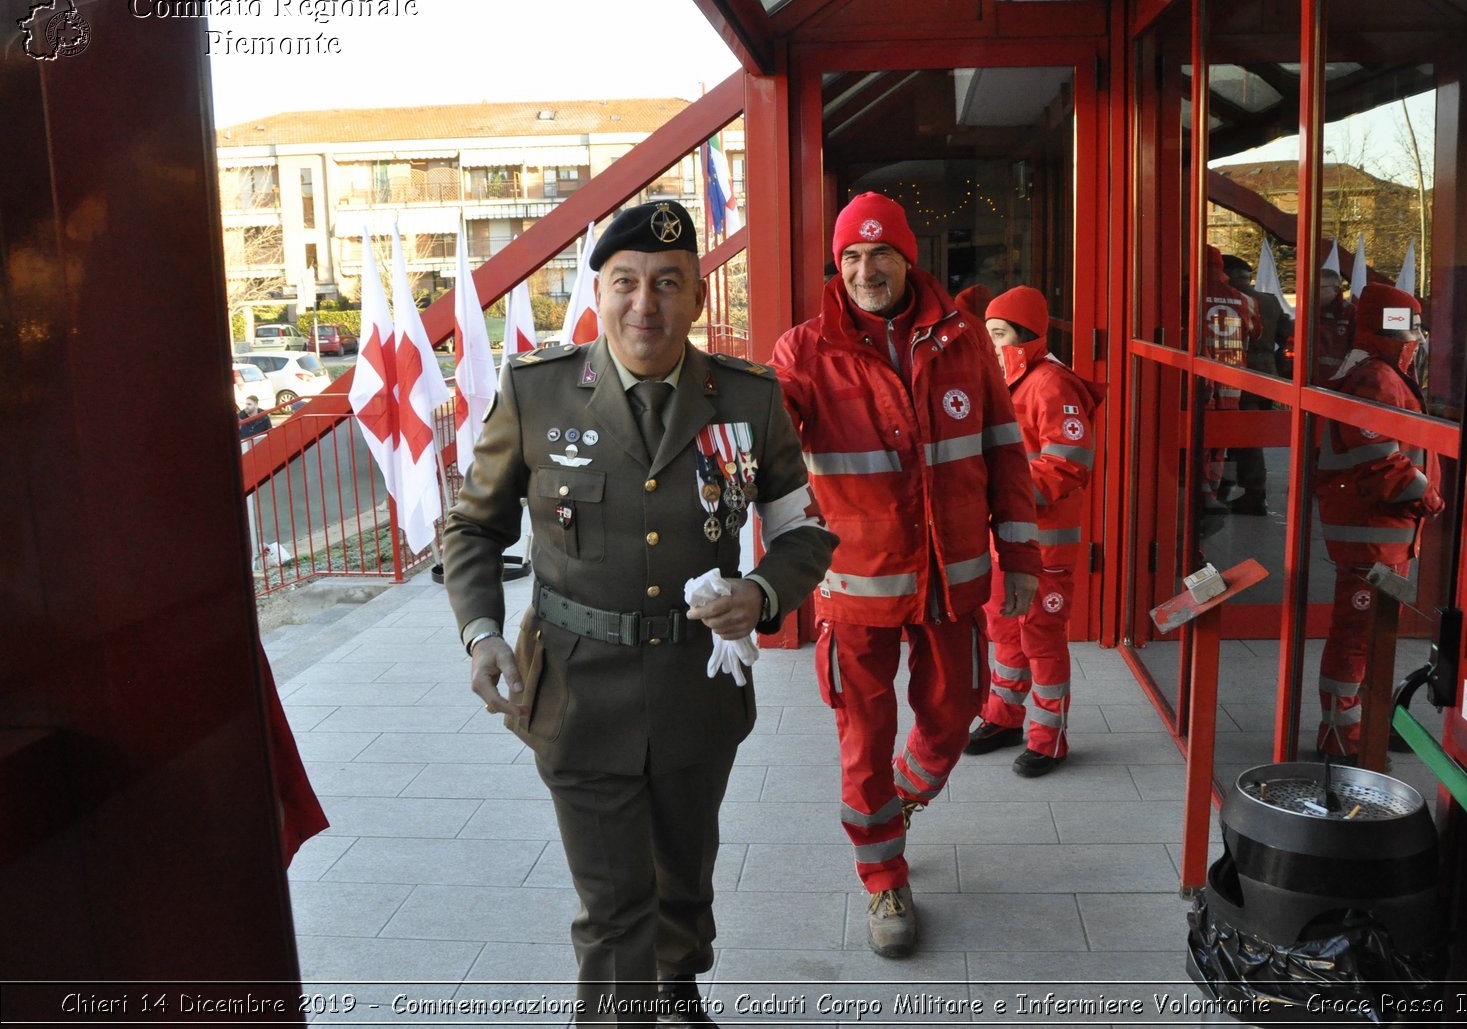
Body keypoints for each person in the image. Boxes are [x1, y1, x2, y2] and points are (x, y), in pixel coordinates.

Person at [443, 200, 838, 1027]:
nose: (644, 304)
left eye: (667, 284)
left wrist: (761, 592)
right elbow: (474, 526)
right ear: (599, 290)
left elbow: (804, 531)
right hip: (578, 688)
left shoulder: (749, 400)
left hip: (696, 687)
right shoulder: (538, 392)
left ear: (697, 297)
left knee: (683, 876)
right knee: (614, 905)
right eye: (625, 282)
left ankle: (680, 982)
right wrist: (481, 633)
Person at [768, 192, 1041, 958]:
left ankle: (902, 795)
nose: (864, 270)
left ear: (907, 257)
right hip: (854, 588)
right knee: (863, 737)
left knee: (954, 716)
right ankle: (883, 874)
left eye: (878, 253)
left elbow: (1004, 455)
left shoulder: (964, 343)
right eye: (850, 256)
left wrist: (1019, 555)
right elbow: (768, 435)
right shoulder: (802, 350)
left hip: (951, 582)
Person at [963, 287, 1103, 777]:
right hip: (1006, 542)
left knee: (1041, 639)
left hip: (1045, 547)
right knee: (1004, 631)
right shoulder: (1008, 379)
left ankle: (1049, 738)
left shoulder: (1050, 384)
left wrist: (1002, 491)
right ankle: (1003, 716)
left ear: (1023, 335)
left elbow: (1067, 467)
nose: (991, 343)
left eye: (998, 334)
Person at [1314, 283, 1443, 762]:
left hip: (1381, 534)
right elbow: (1379, 461)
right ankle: (1342, 737)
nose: (1418, 336)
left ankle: (1354, 728)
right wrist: (1427, 497)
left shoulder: (1376, 372)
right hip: (1374, 536)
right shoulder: (1377, 378)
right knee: (1357, 635)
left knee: (1367, 635)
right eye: (1411, 325)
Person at [1220, 253, 1285, 516]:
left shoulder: (1234, 299)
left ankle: (1248, 492)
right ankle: (1248, 490)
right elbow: (1285, 336)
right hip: (1267, 374)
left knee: (1240, 437)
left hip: (1240, 373)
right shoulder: (1269, 301)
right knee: (1250, 436)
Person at [1200, 245, 1257, 512]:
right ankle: (1213, 494)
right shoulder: (1245, 301)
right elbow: (1256, 333)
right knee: (1220, 447)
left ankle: (1200, 497)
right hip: (1233, 387)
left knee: (1196, 445)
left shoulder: (1187, 295)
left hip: (1200, 386)